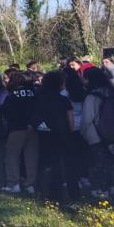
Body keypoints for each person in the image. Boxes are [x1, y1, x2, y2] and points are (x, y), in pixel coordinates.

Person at [36, 71, 74, 202]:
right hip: (61, 134)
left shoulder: (39, 98)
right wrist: (70, 132)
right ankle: (59, 191)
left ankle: (41, 189)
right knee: (60, 164)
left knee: (44, 163)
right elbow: (70, 120)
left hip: (44, 134)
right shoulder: (63, 100)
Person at [81, 67, 114, 198]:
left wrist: (84, 134)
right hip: (111, 131)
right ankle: (111, 186)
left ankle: (101, 190)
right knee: (107, 161)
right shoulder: (111, 91)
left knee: (97, 163)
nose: (82, 79)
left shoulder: (92, 97)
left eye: (84, 77)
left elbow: (86, 119)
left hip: (95, 134)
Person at [1, 72, 39, 194]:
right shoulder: (35, 93)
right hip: (33, 128)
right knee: (31, 157)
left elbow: (6, 111)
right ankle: (30, 185)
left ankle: (14, 184)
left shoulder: (13, 95)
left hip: (17, 128)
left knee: (12, 156)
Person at [62, 67, 89, 196]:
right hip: (83, 126)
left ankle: (74, 179)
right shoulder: (83, 91)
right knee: (83, 153)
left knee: (70, 155)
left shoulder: (64, 93)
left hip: (69, 126)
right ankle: (85, 177)